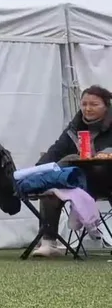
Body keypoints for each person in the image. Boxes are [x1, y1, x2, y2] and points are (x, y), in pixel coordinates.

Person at [31, 85, 112, 258]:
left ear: (106, 106)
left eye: (94, 104)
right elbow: (57, 150)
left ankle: (81, 210)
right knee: (51, 187)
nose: (87, 109)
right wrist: (38, 170)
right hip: (79, 180)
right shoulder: (75, 128)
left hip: (108, 179)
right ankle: (48, 242)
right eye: (84, 104)